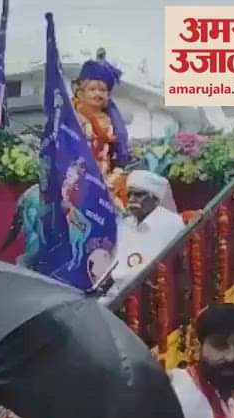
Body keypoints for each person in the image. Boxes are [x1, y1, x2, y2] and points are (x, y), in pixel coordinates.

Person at [106, 170, 184, 294]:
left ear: (155, 199)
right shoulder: (125, 224)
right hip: (116, 294)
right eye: (129, 194)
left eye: (138, 195)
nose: (131, 199)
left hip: (148, 294)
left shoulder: (170, 223)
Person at [74, 51, 130, 206]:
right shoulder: (72, 117)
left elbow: (119, 156)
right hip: (74, 180)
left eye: (102, 90)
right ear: (81, 92)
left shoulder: (111, 122)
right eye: (92, 89)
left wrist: (113, 177)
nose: (97, 94)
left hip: (106, 181)